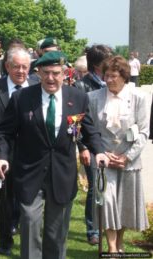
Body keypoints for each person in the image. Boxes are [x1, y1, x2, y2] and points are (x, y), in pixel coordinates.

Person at [0, 51, 109, 259]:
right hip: (30, 171)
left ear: (64, 73)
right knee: (29, 222)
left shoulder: (77, 98)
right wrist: (0, 155)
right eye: (46, 73)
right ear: (38, 72)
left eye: (56, 73)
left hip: (62, 173)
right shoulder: (22, 98)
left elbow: (90, 130)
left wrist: (98, 152)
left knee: (56, 233)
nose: (51, 78)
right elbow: (4, 132)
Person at [88, 55, 149, 254]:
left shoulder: (140, 98)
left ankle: (120, 243)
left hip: (129, 162)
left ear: (124, 77)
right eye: (106, 75)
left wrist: (127, 156)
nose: (109, 80)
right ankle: (112, 248)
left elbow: (143, 131)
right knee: (106, 201)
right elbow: (91, 130)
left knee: (123, 205)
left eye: (114, 76)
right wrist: (101, 153)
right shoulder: (94, 98)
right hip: (104, 160)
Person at [0, 47, 36, 256]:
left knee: (29, 200)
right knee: (4, 200)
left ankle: (25, 234)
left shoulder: (37, 87)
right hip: (1, 155)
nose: (21, 71)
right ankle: (5, 241)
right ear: (7, 67)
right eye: (16, 67)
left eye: (25, 67)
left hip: (31, 157)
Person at [74, 44, 113, 245]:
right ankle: (93, 229)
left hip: (111, 144)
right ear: (98, 64)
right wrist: (82, 147)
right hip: (91, 144)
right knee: (95, 189)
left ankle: (110, 227)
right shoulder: (82, 86)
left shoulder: (113, 83)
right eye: (108, 60)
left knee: (111, 189)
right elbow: (76, 122)